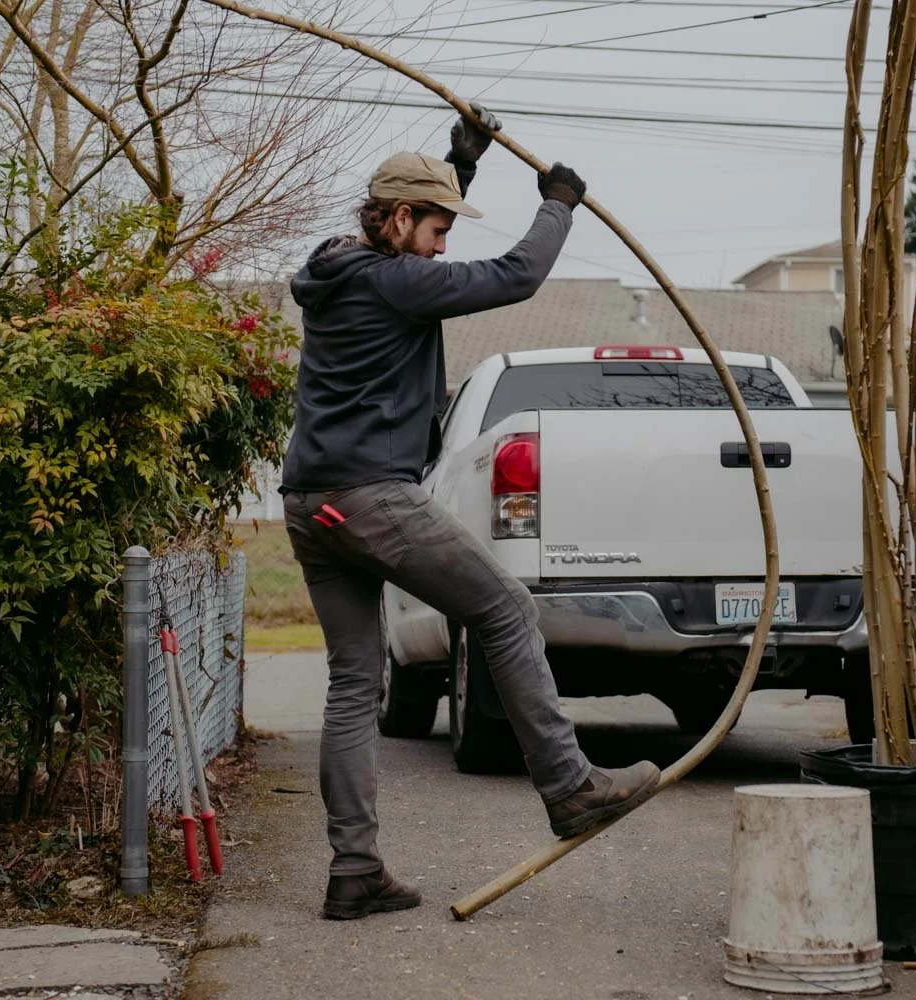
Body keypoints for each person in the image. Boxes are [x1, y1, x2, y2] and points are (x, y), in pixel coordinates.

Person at [280, 104, 661, 921]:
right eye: (438, 228)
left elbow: (420, 239)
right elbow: (518, 274)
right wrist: (558, 202)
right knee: (505, 607)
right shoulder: (396, 280)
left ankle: (354, 872)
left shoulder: (342, 269)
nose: (445, 245)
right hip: (369, 494)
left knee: (354, 683)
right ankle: (572, 787)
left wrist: (463, 163)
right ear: (399, 219)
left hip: (309, 501)